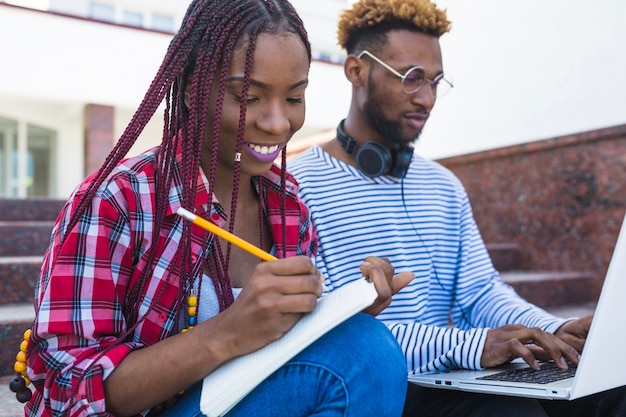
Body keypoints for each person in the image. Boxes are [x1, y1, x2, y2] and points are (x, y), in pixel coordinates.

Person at [19, 1, 412, 416]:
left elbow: (282, 351)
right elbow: (65, 389)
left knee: (362, 342)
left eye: (294, 97)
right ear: (192, 87)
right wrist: (226, 333)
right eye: (249, 96)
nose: (277, 122)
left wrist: (336, 316)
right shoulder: (118, 200)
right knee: (367, 354)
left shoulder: (287, 204)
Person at [288, 0, 626, 416]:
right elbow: (330, 331)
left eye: (435, 81)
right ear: (357, 70)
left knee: (606, 390)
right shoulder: (297, 187)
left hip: (453, 373)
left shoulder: (443, 185)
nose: (427, 98)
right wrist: (473, 345)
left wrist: (553, 329)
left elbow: (481, 292)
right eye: (411, 78)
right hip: (383, 384)